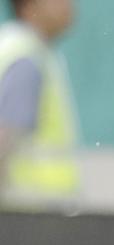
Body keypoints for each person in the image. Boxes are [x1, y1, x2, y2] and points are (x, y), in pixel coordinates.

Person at [0, 0, 78, 210]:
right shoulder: (26, 58)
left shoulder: (28, 50)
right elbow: (4, 140)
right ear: (27, 6)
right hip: (29, 216)